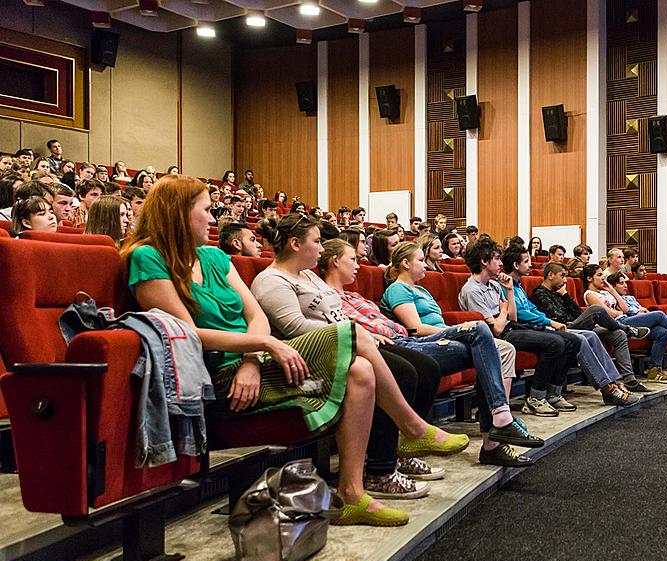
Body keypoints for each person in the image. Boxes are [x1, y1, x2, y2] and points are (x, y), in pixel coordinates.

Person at [122, 175, 466, 526]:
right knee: (357, 337)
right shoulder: (146, 258)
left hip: (252, 361)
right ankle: (412, 428)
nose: (213, 220)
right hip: (213, 374)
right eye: (207, 211)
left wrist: (253, 359)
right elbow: (189, 333)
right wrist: (265, 345)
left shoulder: (214, 257)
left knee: (361, 370)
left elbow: (255, 315)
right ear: (179, 213)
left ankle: (352, 493)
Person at [250, 219, 462, 497]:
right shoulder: (271, 281)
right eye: (316, 242)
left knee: (424, 367)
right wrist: (350, 333)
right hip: (314, 356)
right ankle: (380, 471)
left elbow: (338, 311)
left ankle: (403, 451)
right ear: (295, 244)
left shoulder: (310, 276)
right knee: (402, 373)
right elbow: (296, 329)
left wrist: (361, 333)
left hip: (347, 342)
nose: (320, 249)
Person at [380, 242, 543, 466]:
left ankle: (493, 442)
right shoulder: (398, 289)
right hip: (423, 342)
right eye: (420, 260)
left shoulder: (422, 289)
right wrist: (455, 330)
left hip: (442, 338)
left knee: (501, 350)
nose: (424, 264)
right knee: (479, 328)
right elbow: (415, 328)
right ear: (405, 264)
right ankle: (501, 419)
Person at [502, 247, 641, 406]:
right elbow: (521, 313)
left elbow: (535, 309)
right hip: (538, 327)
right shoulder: (523, 288)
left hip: (554, 324)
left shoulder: (519, 287)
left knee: (592, 335)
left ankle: (615, 382)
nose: (530, 265)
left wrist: (564, 296)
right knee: (585, 328)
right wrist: (550, 322)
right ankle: (607, 388)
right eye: (526, 261)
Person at [530, 262, 652, 393]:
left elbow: (577, 313)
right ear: (550, 275)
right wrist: (564, 297)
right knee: (596, 310)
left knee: (618, 334)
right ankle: (627, 330)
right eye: (562, 276)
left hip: (576, 325)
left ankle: (629, 380)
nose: (565, 280)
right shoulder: (540, 293)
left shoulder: (559, 292)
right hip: (563, 328)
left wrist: (565, 295)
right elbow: (558, 317)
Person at [583, 267, 667, 384]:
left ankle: (654, 370)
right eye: (599, 275)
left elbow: (625, 308)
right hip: (618, 324)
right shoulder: (590, 295)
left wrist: (611, 290)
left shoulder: (605, 292)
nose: (603, 279)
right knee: (659, 315)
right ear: (590, 278)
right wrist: (618, 312)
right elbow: (611, 314)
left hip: (625, 318)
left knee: (662, 332)